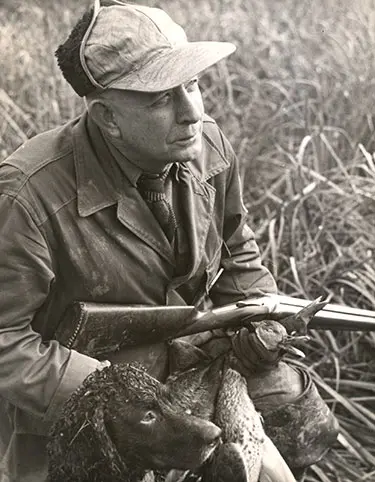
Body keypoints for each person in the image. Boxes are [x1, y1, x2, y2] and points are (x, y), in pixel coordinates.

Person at [0, 1, 338, 481]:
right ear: (107, 117)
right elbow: (5, 339)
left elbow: (237, 246)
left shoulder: (208, 146)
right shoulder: (27, 195)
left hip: (190, 352)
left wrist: (259, 321)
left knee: (296, 415)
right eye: (162, 99)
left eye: (194, 85)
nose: (192, 112)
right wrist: (109, 395)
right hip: (89, 385)